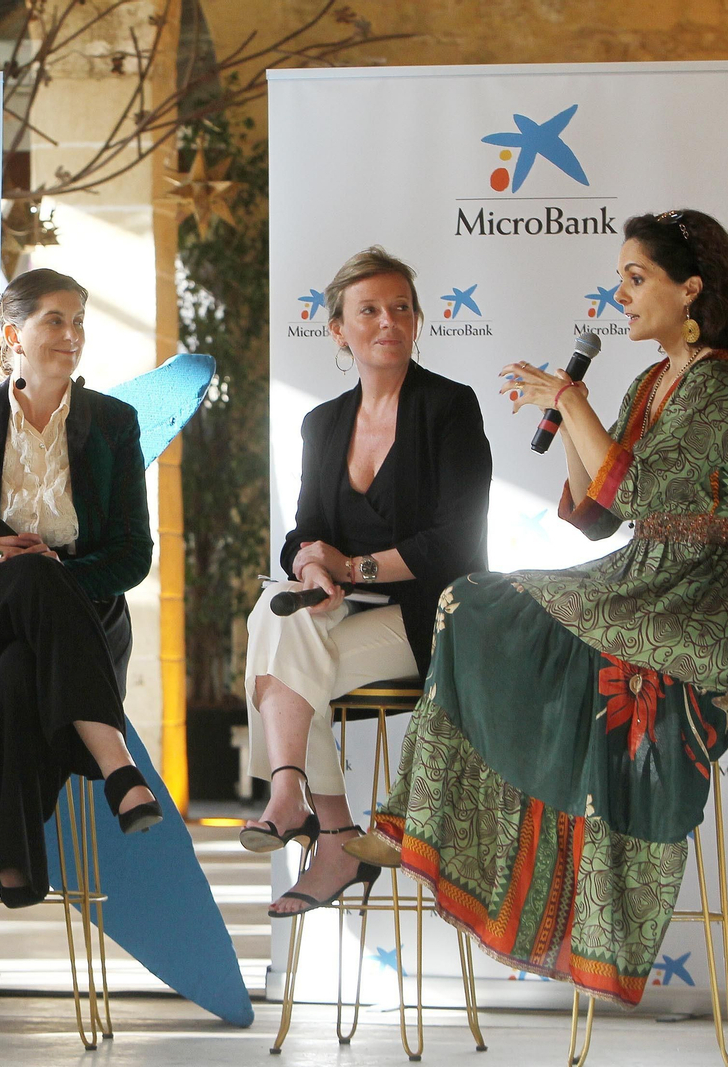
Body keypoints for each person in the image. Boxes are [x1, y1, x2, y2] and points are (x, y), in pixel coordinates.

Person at [350, 210, 728, 1007]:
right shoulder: (654, 380)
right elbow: (603, 512)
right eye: (622, 277)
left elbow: (641, 487)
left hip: (699, 595)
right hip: (637, 572)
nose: (621, 292)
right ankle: (417, 825)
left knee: (473, 601)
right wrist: (574, 407)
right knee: (469, 600)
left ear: (691, 289)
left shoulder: (719, 380)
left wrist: (570, 402)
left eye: (636, 277)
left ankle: (417, 827)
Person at [240, 247, 492, 918]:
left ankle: (312, 814)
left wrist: (349, 567)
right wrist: (313, 567)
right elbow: (304, 531)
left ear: (417, 320)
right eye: (370, 310)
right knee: (276, 609)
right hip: (341, 609)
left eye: (401, 307)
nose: (389, 321)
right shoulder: (322, 423)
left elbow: (453, 542)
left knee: (279, 669)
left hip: (430, 615)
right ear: (338, 330)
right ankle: (331, 826)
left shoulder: (450, 409)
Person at [0, 267, 163, 908]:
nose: (71, 333)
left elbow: (133, 555)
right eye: (54, 319)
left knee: (22, 670)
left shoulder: (113, 423)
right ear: (12, 332)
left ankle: (17, 858)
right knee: (23, 574)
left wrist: (58, 573)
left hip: (80, 618)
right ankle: (119, 769)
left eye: (79, 321)